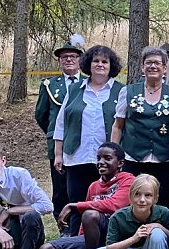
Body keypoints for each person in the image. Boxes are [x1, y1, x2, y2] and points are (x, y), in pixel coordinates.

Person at [38, 142, 134, 249]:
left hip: (117, 237)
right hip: (94, 239)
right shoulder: (94, 186)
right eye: (98, 158)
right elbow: (85, 222)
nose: (101, 162)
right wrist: (81, 242)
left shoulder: (128, 180)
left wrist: (75, 205)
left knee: (90, 213)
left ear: (120, 163)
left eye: (107, 158)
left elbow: (115, 205)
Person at [53, 44, 124, 236]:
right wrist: (58, 154)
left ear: (111, 66)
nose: (100, 65)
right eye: (96, 61)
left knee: (105, 204)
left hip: (107, 161)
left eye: (104, 61)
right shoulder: (76, 89)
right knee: (76, 203)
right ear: (88, 64)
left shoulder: (121, 91)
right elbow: (61, 123)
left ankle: (102, 246)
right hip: (76, 156)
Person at [112, 46, 169, 213]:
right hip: (133, 158)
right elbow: (118, 126)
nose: (153, 66)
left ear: (165, 68)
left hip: (166, 159)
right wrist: (114, 156)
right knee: (133, 201)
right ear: (142, 67)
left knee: (166, 202)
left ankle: (164, 235)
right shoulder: (127, 92)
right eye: (149, 63)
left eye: (157, 63)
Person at [34, 34, 84, 227]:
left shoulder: (89, 83)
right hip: (58, 144)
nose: (69, 60)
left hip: (82, 142)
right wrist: (54, 133)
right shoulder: (49, 85)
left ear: (80, 60)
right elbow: (41, 115)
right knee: (60, 186)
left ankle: (81, 223)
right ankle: (62, 223)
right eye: (64, 57)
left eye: (73, 56)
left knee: (82, 183)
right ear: (59, 61)